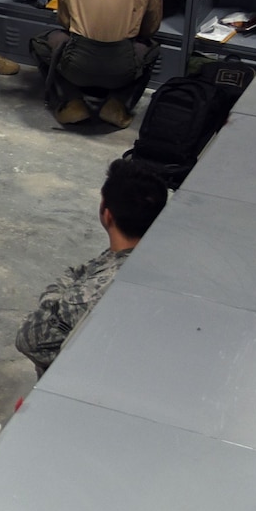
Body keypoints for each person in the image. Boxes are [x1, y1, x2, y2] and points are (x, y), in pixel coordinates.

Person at [14, 158, 167, 375]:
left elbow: (28, 340)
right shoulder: (165, 260)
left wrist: (54, 297)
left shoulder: (89, 294)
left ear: (107, 213)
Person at [29, 0, 165, 129]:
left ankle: (72, 101)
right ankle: (118, 104)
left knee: (39, 42)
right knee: (152, 48)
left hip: (77, 66)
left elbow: (65, 22)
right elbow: (151, 27)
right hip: (122, 68)